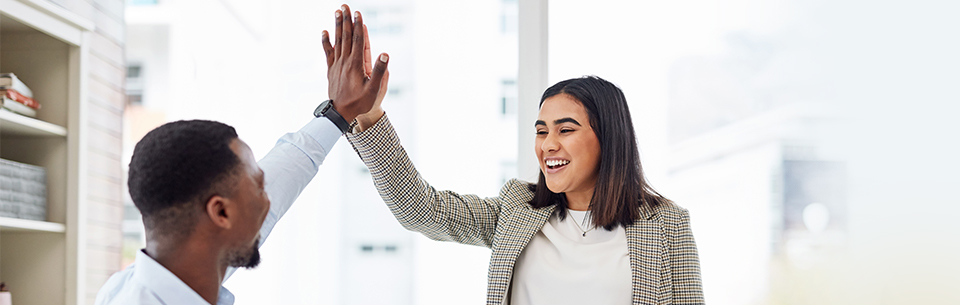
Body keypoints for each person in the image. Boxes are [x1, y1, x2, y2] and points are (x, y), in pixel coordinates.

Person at [333, 20, 704, 302]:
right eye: (541, 131)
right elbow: (421, 210)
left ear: (608, 138)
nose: (548, 145)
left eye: (566, 130)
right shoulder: (517, 209)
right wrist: (368, 116)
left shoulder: (666, 224)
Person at [94, 5, 387, 305]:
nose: (268, 201)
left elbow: (279, 175)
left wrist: (339, 114)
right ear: (221, 212)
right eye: (257, 189)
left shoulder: (142, 283)